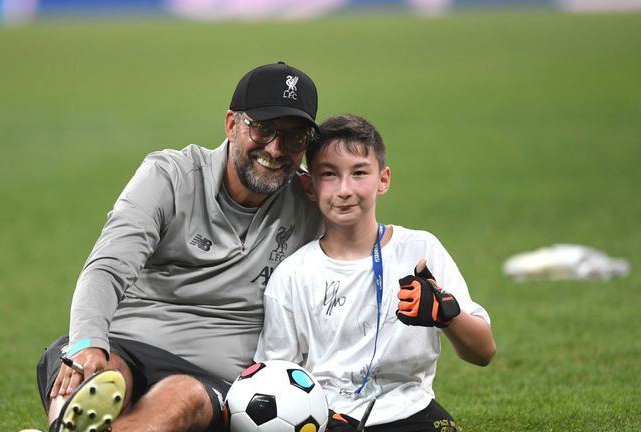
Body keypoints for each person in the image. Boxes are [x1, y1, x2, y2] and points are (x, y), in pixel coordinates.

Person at [33, 62, 325, 432]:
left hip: (212, 379)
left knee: (184, 396)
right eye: (263, 129)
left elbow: (365, 251)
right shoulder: (169, 176)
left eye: (294, 138)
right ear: (232, 124)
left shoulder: (313, 202)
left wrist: (419, 285)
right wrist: (89, 344)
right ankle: (72, 414)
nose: (276, 148)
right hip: (126, 344)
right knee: (100, 374)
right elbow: (107, 268)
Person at [253, 114, 496, 432]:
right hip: (327, 416)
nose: (344, 189)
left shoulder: (420, 250)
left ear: (383, 179)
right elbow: (275, 377)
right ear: (309, 186)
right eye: (329, 174)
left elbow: (483, 352)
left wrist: (445, 314)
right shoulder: (293, 275)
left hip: (410, 410)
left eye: (358, 173)